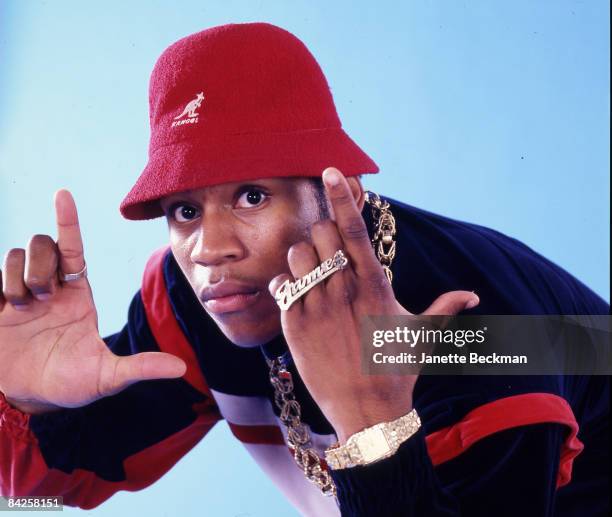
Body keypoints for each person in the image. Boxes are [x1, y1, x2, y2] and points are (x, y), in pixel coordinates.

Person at [0, 22, 608, 517]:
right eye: (184, 209)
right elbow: (57, 489)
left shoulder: (484, 329)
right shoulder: (198, 300)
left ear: (338, 189)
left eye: (252, 197)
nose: (210, 248)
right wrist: (29, 401)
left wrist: (374, 424)